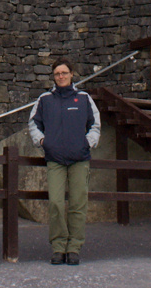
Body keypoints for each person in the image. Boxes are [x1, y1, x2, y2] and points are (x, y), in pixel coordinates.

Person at [28, 57, 101, 265]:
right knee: (56, 204)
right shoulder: (45, 100)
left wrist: (88, 143)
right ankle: (59, 247)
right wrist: (42, 141)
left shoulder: (84, 98)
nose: (61, 76)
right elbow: (34, 124)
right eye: (57, 73)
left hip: (80, 158)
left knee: (78, 203)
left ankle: (74, 247)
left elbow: (94, 124)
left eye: (64, 73)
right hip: (55, 159)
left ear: (71, 74)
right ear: (54, 77)